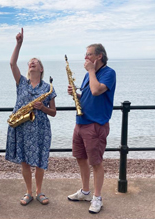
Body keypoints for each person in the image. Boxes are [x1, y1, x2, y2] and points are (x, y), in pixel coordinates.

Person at [5, 28, 57, 206]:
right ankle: (28, 192)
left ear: (41, 69)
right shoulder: (22, 83)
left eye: (36, 62)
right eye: (30, 62)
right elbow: (12, 64)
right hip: (23, 126)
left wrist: (42, 107)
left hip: (41, 127)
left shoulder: (48, 88)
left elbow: (54, 112)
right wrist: (18, 44)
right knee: (25, 161)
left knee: (41, 161)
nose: (32, 63)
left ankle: (39, 191)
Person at [67, 44, 116, 214]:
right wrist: (77, 94)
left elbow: (96, 91)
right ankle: (85, 192)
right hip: (81, 121)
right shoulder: (89, 75)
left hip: (96, 124)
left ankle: (97, 198)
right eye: (85, 55)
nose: (85, 58)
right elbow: (89, 95)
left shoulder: (109, 73)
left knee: (95, 162)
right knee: (80, 158)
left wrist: (91, 71)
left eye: (89, 55)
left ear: (99, 56)